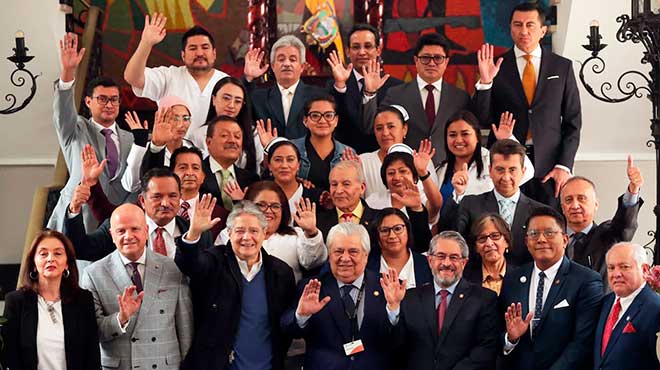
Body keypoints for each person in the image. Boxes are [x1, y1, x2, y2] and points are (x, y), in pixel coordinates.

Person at [474, 3, 581, 208]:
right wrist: (486, 83)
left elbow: (573, 122)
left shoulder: (562, 66)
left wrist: (563, 165)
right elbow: (482, 119)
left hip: (550, 169)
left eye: (530, 25)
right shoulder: (495, 65)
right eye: (517, 25)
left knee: (548, 229)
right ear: (510, 28)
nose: (524, 31)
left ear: (542, 30)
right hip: (505, 166)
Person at [175, 200, 296, 370]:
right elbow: (189, 263)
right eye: (239, 231)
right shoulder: (214, 262)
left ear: (264, 232)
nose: (247, 237)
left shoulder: (281, 272)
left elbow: (285, 325)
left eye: (254, 231)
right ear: (229, 233)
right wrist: (194, 233)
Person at [48, 33, 145, 232]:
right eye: (102, 99)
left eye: (114, 99)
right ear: (88, 102)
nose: (109, 105)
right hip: (78, 217)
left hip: (118, 224)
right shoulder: (75, 129)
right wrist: (68, 71)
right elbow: (63, 113)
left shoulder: (132, 138)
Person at [80, 203, 193, 370]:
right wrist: (121, 318)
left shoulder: (171, 267)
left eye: (135, 229)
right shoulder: (93, 274)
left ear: (146, 231)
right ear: (112, 235)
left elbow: (185, 325)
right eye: (121, 231)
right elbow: (91, 332)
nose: (128, 236)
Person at [281, 222, 402, 370]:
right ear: (329, 254)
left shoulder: (388, 287)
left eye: (353, 251)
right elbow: (287, 329)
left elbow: (401, 339)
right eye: (338, 251)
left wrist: (394, 309)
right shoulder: (311, 287)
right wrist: (302, 315)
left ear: (366, 255)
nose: (345, 258)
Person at [500, 206, 603, 370]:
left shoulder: (586, 281)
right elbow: (500, 330)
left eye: (549, 233)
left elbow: (583, 342)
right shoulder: (513, 279)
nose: (541, 239)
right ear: (527, 242)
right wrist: (511, 339)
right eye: (534, 234)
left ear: (564, 239)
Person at [384, 231, 499, 370]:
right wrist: (394, 308)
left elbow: (485, 350)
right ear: (430, 260)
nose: (446, 263)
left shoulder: (484, 299)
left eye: (454, 257)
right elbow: (396, 347)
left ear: (464, 262)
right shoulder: (409, 298)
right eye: (441, 256)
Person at [362, 32, 470, 165]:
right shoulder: (396, 94)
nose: (431, 63)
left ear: (446, 61)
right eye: (425, 58)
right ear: (416, 60)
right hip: (407, 169)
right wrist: (370, 93)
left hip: (447, 169)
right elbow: (370, 127)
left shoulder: (460, 97)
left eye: (438, 58)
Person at [65, 167, 213, 261]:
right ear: (142, 200)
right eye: (157, 197)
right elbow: (80, 249)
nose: (165, 203)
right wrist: (75, 208)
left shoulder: (197, 233)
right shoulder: (121, 228)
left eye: (173, 196)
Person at [1, 230, 100, 370]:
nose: (50, 258)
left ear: (67, 263)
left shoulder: (83, 300)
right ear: (34, 263)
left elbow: (92, 355)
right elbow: (10, 356)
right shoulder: (16, 301)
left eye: (58, 253)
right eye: (43, 253)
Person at [124, 14, 228, 144]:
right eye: (193, 48)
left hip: (213, 158)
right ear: (183, 55)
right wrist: (146, 43)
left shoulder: (227, 82)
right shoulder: (169, 76)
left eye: (205, 47)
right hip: (170, 157)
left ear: (214, 53)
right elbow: (132, 78)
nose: (200, 53)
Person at [450, 139, 544, 266]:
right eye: (500, 169)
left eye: (512, 170)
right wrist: (458, 193)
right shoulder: (470, 203)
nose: (506, 177)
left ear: (523, 171)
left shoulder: (539, 212)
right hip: (479, 280)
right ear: (490, 170)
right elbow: (453, 237)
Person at [216, 181, 327, 282]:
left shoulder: (296, 235)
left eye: (275, 206)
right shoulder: (229, 233)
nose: (268, 210)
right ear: (248, 206)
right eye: (261, 205)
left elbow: (313, 263)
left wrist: (311, 232)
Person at [560, 157, 643, 279]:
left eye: (581, 198)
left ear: (596, 204)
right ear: (562, 207)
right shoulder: (554, 239)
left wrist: (633, 190)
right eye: (568, 200)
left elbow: (624, 224)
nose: (575, 205)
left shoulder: (609, 235)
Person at [327, 24, 402, 153]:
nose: (362, 52)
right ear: (348, 51)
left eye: (368, 46)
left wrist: (370, 94)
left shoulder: (394, 87)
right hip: (345, 158)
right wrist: (340, 86)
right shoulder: (335, 85)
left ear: (378, 50)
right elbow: (335, 124)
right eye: (356, 47)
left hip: (384, 159)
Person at [436, 110, 534, 207]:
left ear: (477, 137)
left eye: (465, 134)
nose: (458, 140)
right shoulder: (441, 169)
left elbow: (527, 172)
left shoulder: (491, 160)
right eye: (452, 135)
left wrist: (508, 139)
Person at [243, 35, 326, 139]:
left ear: (302, 67)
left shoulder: (318, 96)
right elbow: (242, 111)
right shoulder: (259, 98)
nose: (287, 64)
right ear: (273, 66)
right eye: (281, 59)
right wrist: (248, 79)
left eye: (292, 59)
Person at [594, 242, 660, 370]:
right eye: (611, 268)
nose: (616, 274)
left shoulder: (656, 309)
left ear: (645, 270)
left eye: (624, 267)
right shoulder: (604, 303)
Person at [356, 105, 438, 198]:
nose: (385, 133)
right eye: (379, 128)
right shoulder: (363, 161)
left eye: (391, 126)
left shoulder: (421, 160)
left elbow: (434, 202)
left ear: (404, 129)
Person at [192, 76, 263, 173]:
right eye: (226, 98)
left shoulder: (254, 133)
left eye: (238, 101)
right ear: (214, 99)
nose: (231, 105)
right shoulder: (199, 135)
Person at [365, 144, 442, 223]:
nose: (397, 177)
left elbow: (436, 204)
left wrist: (423, 172)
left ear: (414, 176)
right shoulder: (373, 201)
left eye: (403, 171)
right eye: (391, 173)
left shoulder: (422, 198)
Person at [292, 95, 354, 191]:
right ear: (305, 120)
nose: (322, 120)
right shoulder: (291, 148)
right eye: (315, 115)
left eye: (328, 115)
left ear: (336, 120)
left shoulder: (348, 153)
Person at [201, 115, 260, 210]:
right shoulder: (196, 173)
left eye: (237, 136)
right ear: (208, 142)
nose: (232, 140)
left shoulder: (251, 180)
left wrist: (243, 202)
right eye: (224, 135)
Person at [367, 208, 432, 289]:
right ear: (376, 235)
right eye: (384, 230)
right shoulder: (367, 265)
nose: (392, 236)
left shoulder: (427, 264)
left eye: (398, 229)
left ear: (408, 230)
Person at [137, 95, 193, 172]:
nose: (181, 124)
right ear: (161, 119)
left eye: (186, 118)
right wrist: (157, 146)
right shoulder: (146, 149)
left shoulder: (194, 150)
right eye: (175, 118)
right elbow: (131, 182)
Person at [463, 213, 514, 295]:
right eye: (482, 238)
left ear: (506, 241)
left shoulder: (520, 277)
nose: (489, 243)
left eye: (495, 236)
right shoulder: (466, 278)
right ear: (476, 247)